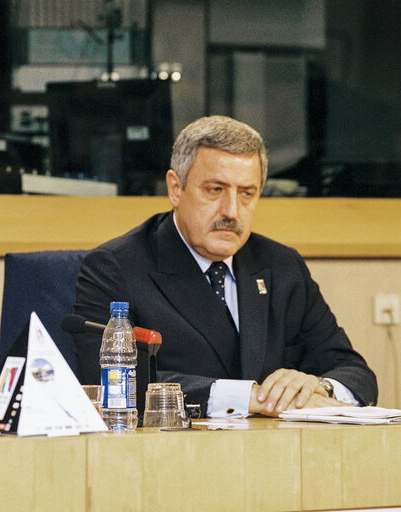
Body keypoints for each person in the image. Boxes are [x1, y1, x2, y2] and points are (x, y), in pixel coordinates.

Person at [73, 116, 377, 418]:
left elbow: (356, 374)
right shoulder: (116, 267)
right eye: (215, 190)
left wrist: (318, 387)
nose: (232, 211)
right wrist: (251, 398)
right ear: (175, 188)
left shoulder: (282, 266)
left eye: (247, 193)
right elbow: (114, 383)